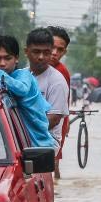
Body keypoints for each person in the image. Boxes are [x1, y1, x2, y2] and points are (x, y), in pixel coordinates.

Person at [0, 35, 56, 148]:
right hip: (3, 148)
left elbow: (21, 89)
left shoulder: (24, 75)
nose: (2, 63)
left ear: (16, 58)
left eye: (7, 58)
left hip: (38, 147)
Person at [27, 28, 69, 176]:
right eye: (36, 52)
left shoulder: (57, 79)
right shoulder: (22, 76)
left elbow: (54, 119)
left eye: (46, 52)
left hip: (44, 141)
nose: (41, 57)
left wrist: (20, 129)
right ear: (26, 52)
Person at [47, 26, 73, 174]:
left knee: (52, 162)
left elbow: (65, 101)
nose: (55, 53)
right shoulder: (33, 68)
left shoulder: (62, 72)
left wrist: (66, 121)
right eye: (52, 47)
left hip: (54, 121)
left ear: (65, 52)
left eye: (60, 50)